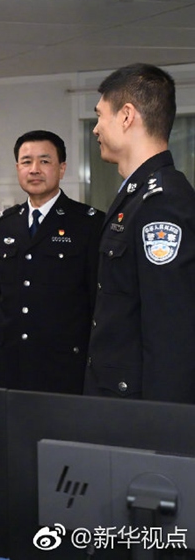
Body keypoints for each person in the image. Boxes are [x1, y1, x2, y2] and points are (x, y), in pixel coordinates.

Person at [85, 63, 195, 403]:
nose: (95, 128)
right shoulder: (135, 196)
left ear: (126, 116)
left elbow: (170, 330)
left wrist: (159, 422)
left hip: (136, 406)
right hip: (114, 393)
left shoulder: (162, 202)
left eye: (100, 115)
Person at [0, 130, 104, 394]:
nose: (34, 169)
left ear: (62, 168)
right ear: (17, 168)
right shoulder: (3, 225)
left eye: (44, 161)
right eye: (26, 162)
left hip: (66, 365)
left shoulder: (87, 223)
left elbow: (97, 303)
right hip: (11, 363)